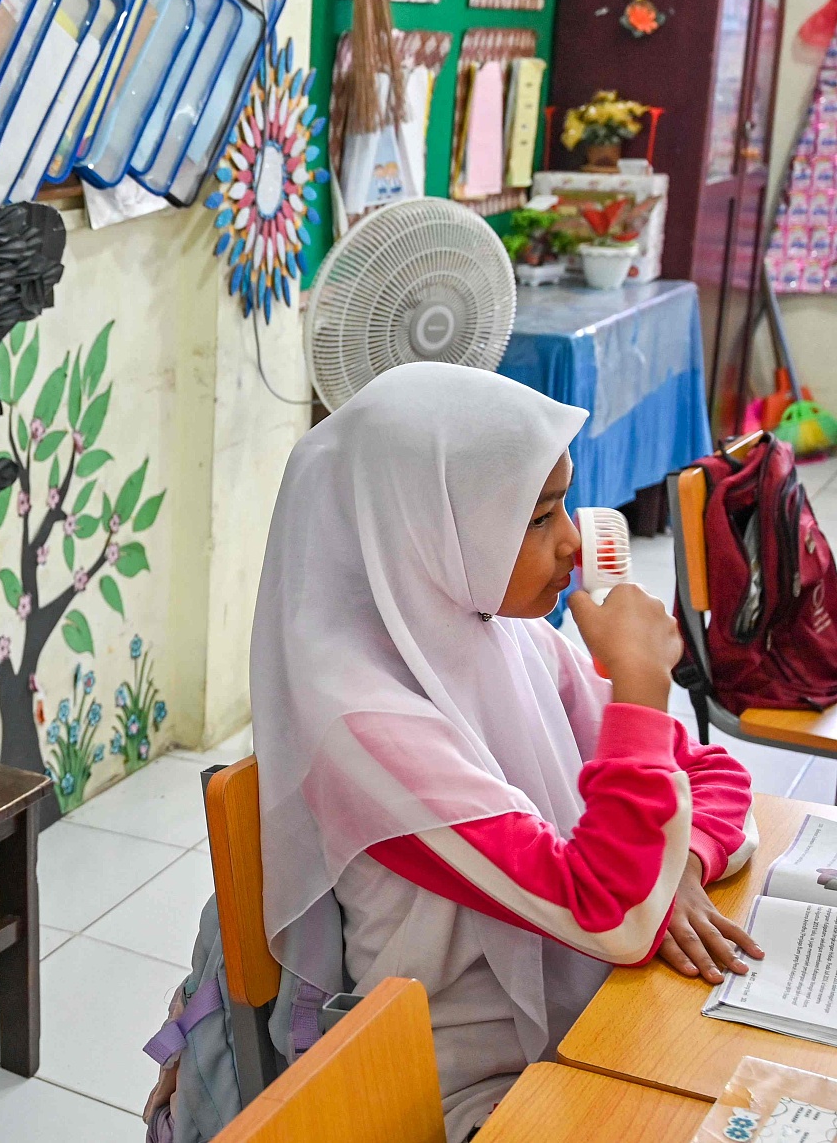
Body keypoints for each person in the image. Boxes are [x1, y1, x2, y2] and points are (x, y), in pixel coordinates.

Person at [250, 363, 756, 1142]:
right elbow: (613, 914)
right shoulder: (361, 727)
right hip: (470, 1090)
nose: (573, 540)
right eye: (537, 516)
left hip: (589, 1014)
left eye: (565, 503)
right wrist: (639, 690)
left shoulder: (509, 634)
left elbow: (714, 777)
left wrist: (678, 866)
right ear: (428, 527)